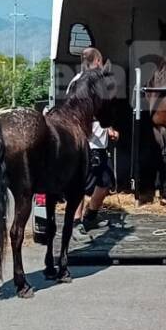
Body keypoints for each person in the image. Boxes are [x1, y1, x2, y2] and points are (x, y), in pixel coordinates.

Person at [68, 47, 119, 240]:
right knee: (80, 183)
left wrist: (109, 128)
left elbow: (101, 111)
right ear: (97, 62)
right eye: (101, 61)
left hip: (98, 141)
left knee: (105, 182)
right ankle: (76, 223)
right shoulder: (79, 83)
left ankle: (90, 216)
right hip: (85, 143)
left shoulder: (89, 82)